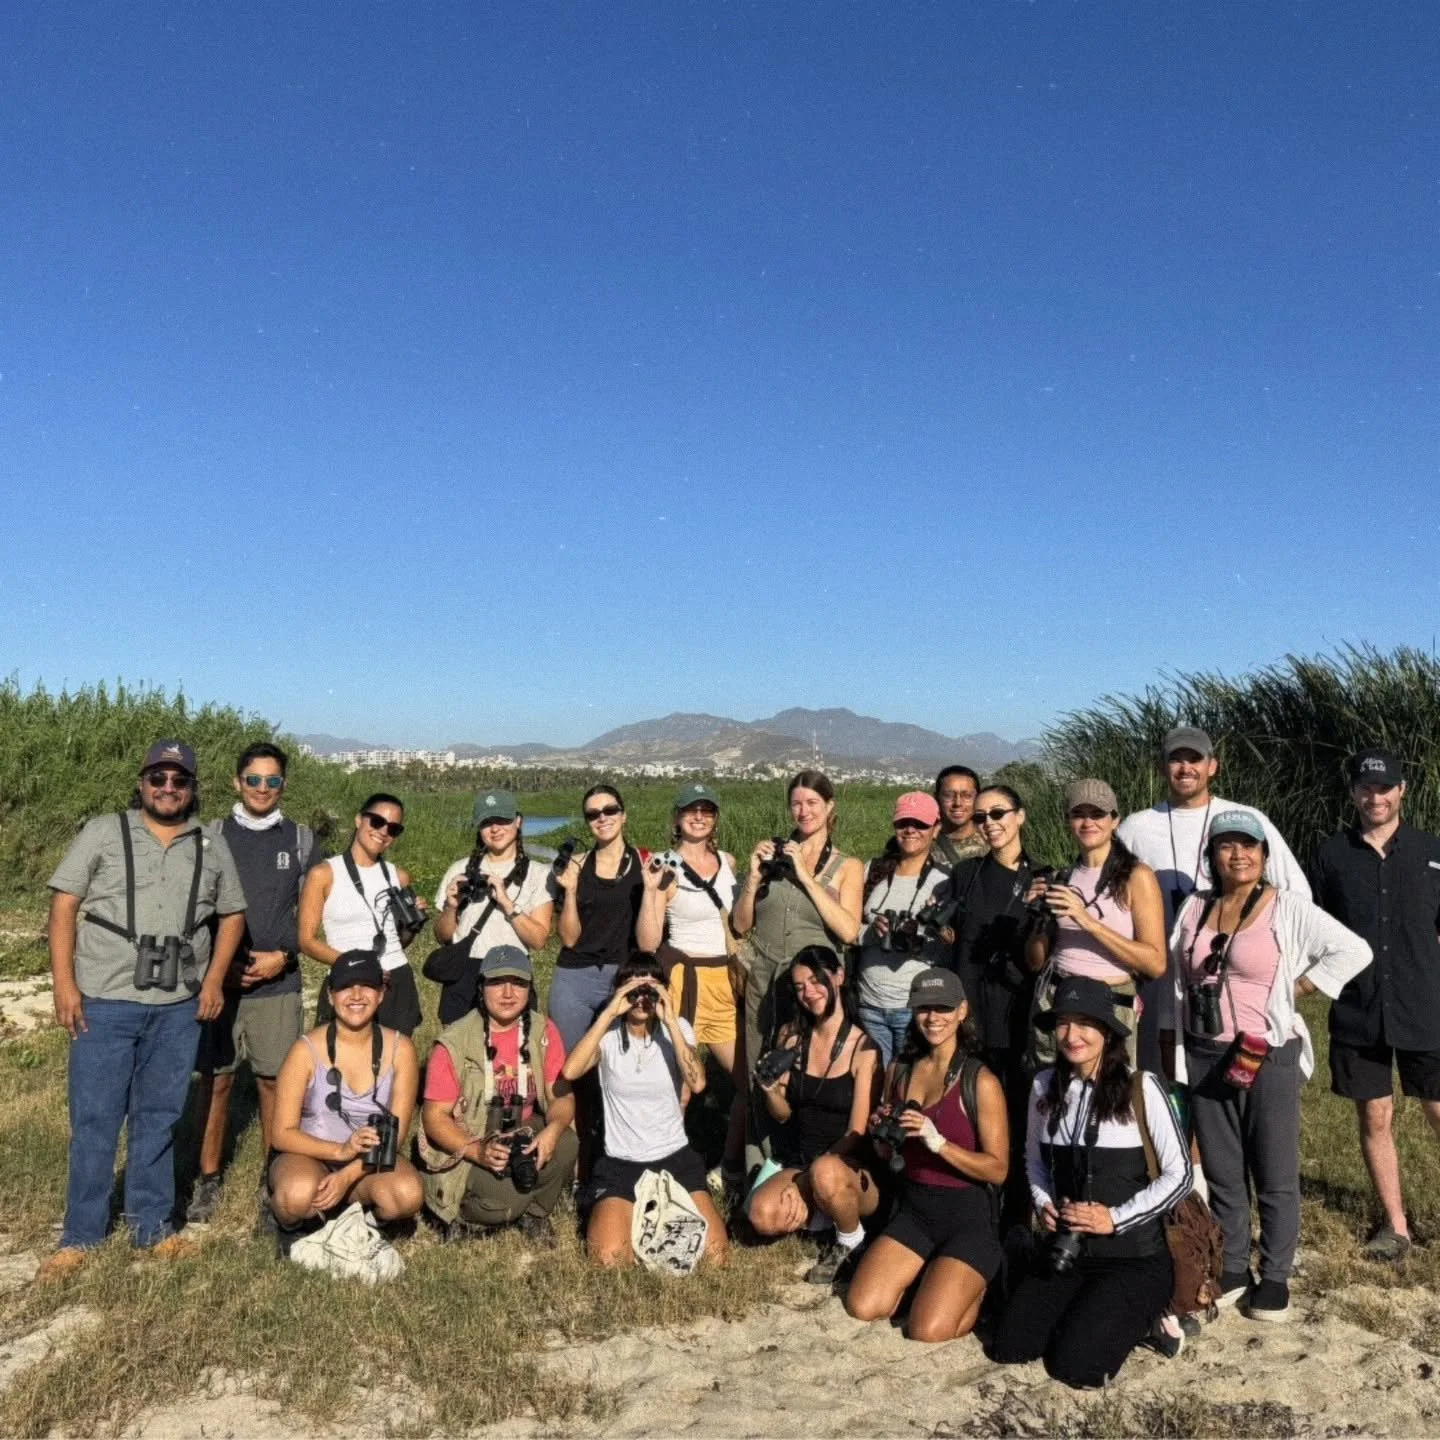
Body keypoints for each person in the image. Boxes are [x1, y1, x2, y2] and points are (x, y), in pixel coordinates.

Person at [42, 740, 247, 1279]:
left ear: (192, 788)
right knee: (96, 1119)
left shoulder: (210, 842)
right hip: (104, 999)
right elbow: (64, 904)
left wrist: (215, 979)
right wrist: (65, 984)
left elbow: (233, 915)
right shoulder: (104, 832)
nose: (168, 789)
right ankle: (80, 1235)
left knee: (159, 1118)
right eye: (159, 778)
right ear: (142, 782)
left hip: (178, 1004)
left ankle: (150, 1227)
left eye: (179, 781)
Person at [1172, 811, 1372, 1321]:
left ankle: (1276, 1273)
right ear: (1212, 855)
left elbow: (1354, 950)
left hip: (1265, 1052)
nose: (1237, 855)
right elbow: (1179, 972)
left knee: (1274, 1169)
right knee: (1222, 1168)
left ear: (1264, 855)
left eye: (1248, 846)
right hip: (1204, 1050)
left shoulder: (1287, 908)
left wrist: (1299, 988)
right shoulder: (1195, 907)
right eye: (1226, 846)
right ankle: (1235, 1265)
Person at [992, 975, 1193, 1388]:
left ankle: (1151, 1319)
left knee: (1079, 1368)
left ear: (1106, 1029)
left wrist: (1114, 1219)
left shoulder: (1142, 1087)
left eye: (1085, 1023)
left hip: (1134, 1257)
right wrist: (1042, 1200)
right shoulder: (1043, 1086)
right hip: (1068, 1251)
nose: (1072, 1035)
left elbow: (1181, 1174)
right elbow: (1032, 1160)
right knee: (1010, 1346)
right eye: (1063, 1023)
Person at [1117, 726, 1310, 1073]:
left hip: (1230, 985)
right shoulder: (1136, 827)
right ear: (1162, 767)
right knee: (1162, 1085)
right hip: (1160, 984)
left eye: (1195, 759)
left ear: (1213, 767)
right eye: (1176, 759)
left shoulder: (1245, 820)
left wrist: (1276, 967)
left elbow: (1297, 895)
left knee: (1221, 1082)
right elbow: (1110, 896)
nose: (1186, 768)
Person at [1310, 747, 1440, 1263]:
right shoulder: (1330, 855)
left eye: (1384, 788)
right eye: (1365, 788)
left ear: (1401, 790)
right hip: (1359, 1007)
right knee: (1375, 1116)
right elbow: (1313, 928)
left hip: (1423, 1004)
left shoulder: (1432, 852)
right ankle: (1396, 1226)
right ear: (1353, 793)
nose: (1375, 797)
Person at [189, 742, 325, 1225]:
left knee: (274, 1083)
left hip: (279, 982)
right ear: (236, 782)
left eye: (272, 781)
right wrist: (219, 966)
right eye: (253, 780)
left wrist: (283, 958)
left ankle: (274, 1178)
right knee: (217, 1081)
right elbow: (196, 910)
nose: (262, 789)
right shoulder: (210, 837)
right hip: (220, 983)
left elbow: (310, 915)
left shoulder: (302, 841)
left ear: (282, 786)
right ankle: (208, 1181)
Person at [844, 968, 1008, 1342]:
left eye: (943, 1008)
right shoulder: (899, 1071)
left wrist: (940, 1143)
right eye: (923, 1008)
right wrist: (882, 1135)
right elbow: (887, 1154)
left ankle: (976, 1283)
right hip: (915, 1211)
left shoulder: (980, 1081)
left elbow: (998, 1170)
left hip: (966, 1216)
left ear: (962, 1011)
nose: (933, 1018)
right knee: (863, 1306)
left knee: (926, 1330)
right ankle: (931, 1277)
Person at [730, 770, 863, 1166]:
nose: (803, 811)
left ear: (830, 806)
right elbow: (741, 924)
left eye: (812, 803)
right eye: (796, 803)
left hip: (812, 987)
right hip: (765, 978)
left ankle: (808, 1159)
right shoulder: (772, 853)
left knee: (804, 1072)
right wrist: (753, 880)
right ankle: (761, 1161)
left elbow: (849, 931)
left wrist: (806, 876)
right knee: (763, 1069)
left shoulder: (846, 866)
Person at [562, 954, 728, 1267]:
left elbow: (698, 1082)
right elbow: (571, 1071)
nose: (642, 999)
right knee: (608, 1261)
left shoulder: (676, 1029)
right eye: (633, 991)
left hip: (674, 1156)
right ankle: (636, 1225)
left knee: (717, 1258)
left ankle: (649, 1229)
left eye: (650, 991)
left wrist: (670, 1023)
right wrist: (611, 1011)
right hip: (621, 1162)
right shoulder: (608, 1034)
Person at [419, 947, 576, 1242]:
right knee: (507, 1203)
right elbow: (434, 1117)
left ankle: (534, 1215)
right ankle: (462, 1215)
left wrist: (552, 1131)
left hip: (518, 1132)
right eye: (496, 982)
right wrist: (477, 1151)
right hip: (472, 1138)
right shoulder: (455, 1041)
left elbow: (562, 1098)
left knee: (567, 1141)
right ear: (481, 988)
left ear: (529, 989)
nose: (507, 993)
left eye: (518, 983)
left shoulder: (542, 1030)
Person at [747, 946, 884, 1283]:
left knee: (825, 1172)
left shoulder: (864, 1049)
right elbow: (782, 1116)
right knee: (761, 1215)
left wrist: (812, 1178)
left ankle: (851, 1239)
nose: (808, 992)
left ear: (838, 976)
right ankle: (822, 1214)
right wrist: (769, 1090)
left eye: (815, 980)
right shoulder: (792, 1038)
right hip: (803, 1161)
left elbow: (856, 1134)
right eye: (798, 987)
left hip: (851, 1170)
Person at [949, 783, 1051, 1228]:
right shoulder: (965, 875)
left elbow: (1042, 960)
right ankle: (973, 1213)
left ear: (1021, 816)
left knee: (1016, 1117)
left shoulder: (1043, 878)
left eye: (999, 813)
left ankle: (1016, 1219)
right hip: (969, 1017)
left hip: (1017, 1018)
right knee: (970, 1118)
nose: (990, 823)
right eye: (982, 816)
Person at [635, 781, 746, 1185]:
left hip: (725, 982)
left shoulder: (729, 862)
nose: (699, 816)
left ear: (715, 818)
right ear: (677, 818)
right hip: (685, 982)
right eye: (690, 810)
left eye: (707, 810)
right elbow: (648, 942)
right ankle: (661, 1171)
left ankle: (730, 1165)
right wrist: (650, 893)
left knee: (747, 1083)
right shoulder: (665, 865)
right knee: (676, 1083)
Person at [268, 950, 423, 1236]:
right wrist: (340, 1150)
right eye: (345, 987)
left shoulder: (402, 1049)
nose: (356, 995)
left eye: (366, 986)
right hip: (309, 1155)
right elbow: (282, 1132)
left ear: (381, 994)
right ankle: (290, 1224)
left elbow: (396, 1135)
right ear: (329, 995)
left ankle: (364, 1221)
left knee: (406, 1194)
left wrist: (348, 1173)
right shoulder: (304, 1050)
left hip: (369, 1163)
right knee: (296, 1195)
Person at [1025, 779, 1166, 1067]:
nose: (1088, 822)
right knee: (1056, 1097)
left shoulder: (1137, 877)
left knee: (1110, 1101)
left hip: (1110, 1006)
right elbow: (1035, 962)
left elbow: (1155, 963)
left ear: (1115, 821)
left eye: (1098, 814)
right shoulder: (1062, 877)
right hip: (1059, 1001)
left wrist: (1087, 921)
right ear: (1068, 821)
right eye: (1079, 814)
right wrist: (1036, 918)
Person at [551, 784, 646, 1175]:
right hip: (574, 975)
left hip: (621, 977)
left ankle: (617, 1156)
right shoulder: (576, 867)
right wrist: (571, 893)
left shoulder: (645, 863)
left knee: (621, 1070)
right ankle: (573, 1163)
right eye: (593, 813)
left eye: (610, 810)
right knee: (570, 1071)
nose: (602, 818)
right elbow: (570, 938)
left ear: (624, 814)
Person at [298, 793, 427, 1037]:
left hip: (395, 978)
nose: (383, 832)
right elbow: (306, 940)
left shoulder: (397, 876)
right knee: (339, 1064)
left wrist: (412, 924)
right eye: (377, 822)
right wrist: (357, 967)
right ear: (359, 820)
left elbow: (399, 941)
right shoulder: (324, 874)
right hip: (348, 978)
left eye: (393, 829)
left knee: (395, 1063)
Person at [427, 789, 557, 1026]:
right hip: (464, 969)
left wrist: (508, 903)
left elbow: (539, 939)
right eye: (486, 823)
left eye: (502, 820)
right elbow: (442, 935)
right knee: (458, 1046)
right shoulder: (460, 869)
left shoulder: (538, 874)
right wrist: (450, 906)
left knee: (513, 1047)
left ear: (518, 821)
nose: (495, 829)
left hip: (511, 970)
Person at [855, 792, 954, 1066]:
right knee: (873, 1086)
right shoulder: (872, 871)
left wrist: (925, 933)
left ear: (936, 830)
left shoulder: (946, 881)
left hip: (916, 1008)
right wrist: (873, 931)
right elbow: (849, 930)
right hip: (869, 1003)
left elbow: (955, 942)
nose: (911, 830)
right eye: (903, 823)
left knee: (909, 1084)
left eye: (920, 824)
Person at [933, 766, 987, 869]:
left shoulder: (992, 841)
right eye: (948, 795)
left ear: (978, 798)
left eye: (967, 795)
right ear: (937, 798)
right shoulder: (923, 843)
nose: (958, 803)